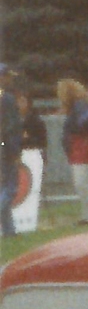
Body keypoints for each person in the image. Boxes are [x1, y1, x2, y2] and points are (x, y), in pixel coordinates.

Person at [57, 79, 88, 225]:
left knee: (81, 182)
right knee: (83, 183)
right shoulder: (81, 104)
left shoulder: (80, 105)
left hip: (82, 148)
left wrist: (79, 132)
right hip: (81, 148)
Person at [1, 64, 21, 238]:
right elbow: (12, 127)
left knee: (3, 188)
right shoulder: (6, 98)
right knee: (10, 188)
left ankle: (9, 231)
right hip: (5, 147)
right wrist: (15, 150)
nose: (9, 80)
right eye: (7, 76)